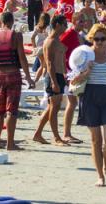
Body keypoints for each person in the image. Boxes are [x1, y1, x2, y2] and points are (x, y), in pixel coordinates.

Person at [73, 26, 106, 187]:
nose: (100, 42)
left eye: (103, 39)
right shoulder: (84, 55)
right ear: (91, 39)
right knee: (96, 140)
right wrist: (86, 72)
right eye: (97, 39)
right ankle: (100, 175)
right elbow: (74, 80)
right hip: (90, 96)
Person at [0, 11, 35, 150]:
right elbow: (22, 58)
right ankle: (10, 143)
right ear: (11, 22)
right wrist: (28, 77)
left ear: (0, 22)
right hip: (13, 74)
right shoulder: (16, 36)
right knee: (12, 110)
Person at [33, 15, 69, 146]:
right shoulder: (50, 41)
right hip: (52, 76)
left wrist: (65, 75)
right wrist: (54, 82)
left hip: (59, 75)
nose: (66, 27)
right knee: (54, 108)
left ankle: (38, 134)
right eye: (65, 24)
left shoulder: (57, 40)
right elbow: (49, 63)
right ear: (58, 24)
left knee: (52, 107)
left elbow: (60, 61)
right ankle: (56, 137)